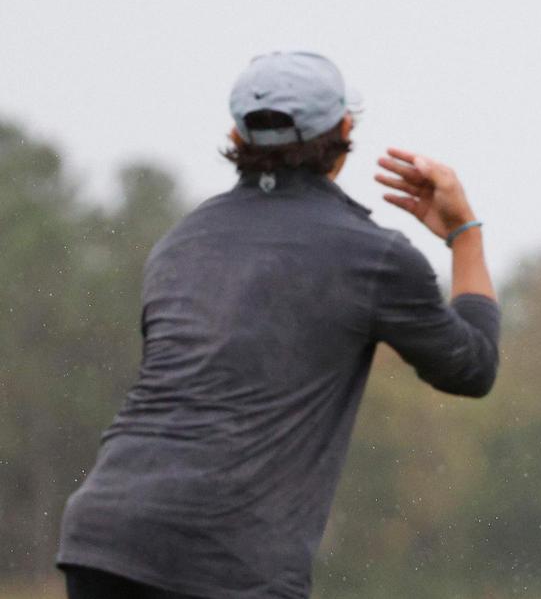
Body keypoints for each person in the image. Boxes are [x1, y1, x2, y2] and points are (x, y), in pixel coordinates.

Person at [56, 51, 500, 598]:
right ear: (343, 130)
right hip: (228, 559)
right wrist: (465, 235)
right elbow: (472, 368)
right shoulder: (374, 256)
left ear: (237, 135)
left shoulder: (182, 240)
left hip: (105, 539)